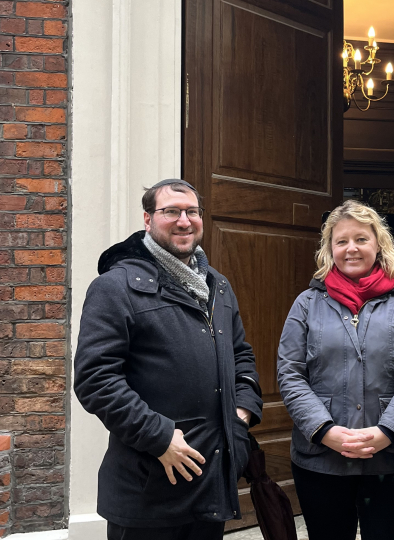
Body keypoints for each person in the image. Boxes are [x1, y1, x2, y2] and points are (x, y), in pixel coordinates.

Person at [74, 179, 263, 540]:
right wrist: (160, 438)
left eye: (192, 212)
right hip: (147, 490)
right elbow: (96, 379)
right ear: (147, 219)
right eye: (171, 212)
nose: (184, 221)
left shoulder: (217, 286)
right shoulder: (115, 288)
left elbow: (241, 355)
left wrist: (240, 417)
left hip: (211, 483)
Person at [277, 200, 394, 540]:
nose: (351, 248)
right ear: (329, 248)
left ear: (378, 244)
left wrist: (387, 432)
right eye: (341, 241)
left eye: (361, 239)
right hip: (322, 460)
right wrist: (324, 431)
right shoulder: (306, 304)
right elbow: (290, 373)